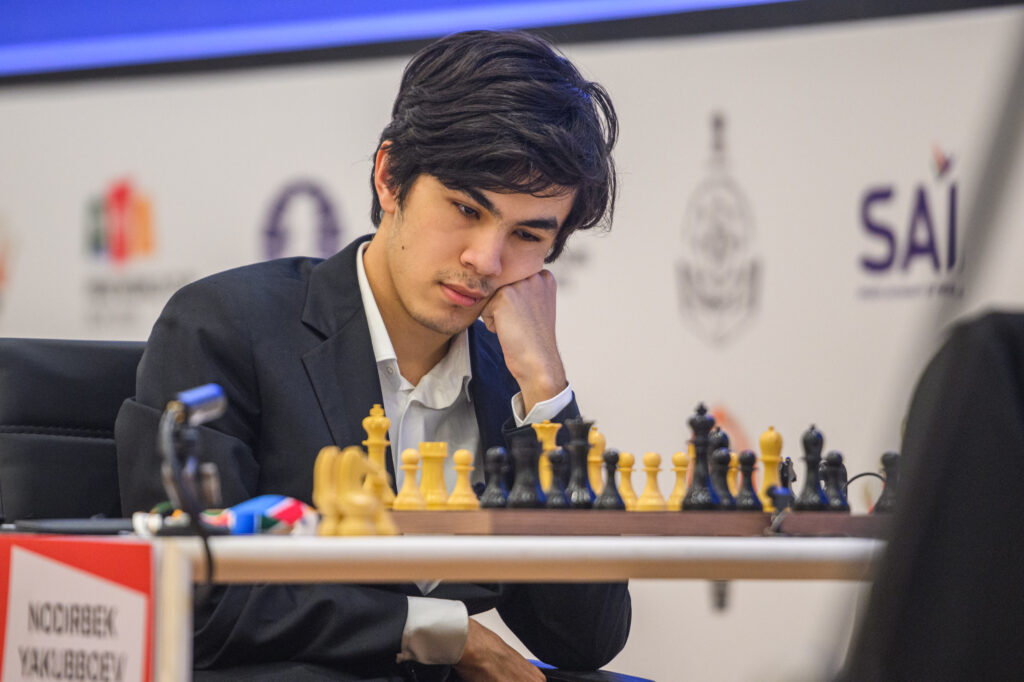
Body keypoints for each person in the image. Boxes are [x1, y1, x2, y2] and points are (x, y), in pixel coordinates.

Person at [116, 30, 631, 681]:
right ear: (390, 178)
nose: (486, 260)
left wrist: (547, 390)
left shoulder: (515, 387)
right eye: (466, 208)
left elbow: (586, 638)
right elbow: (192, 593)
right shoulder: (223, 327)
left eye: (527, 234)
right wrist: (444, 634)